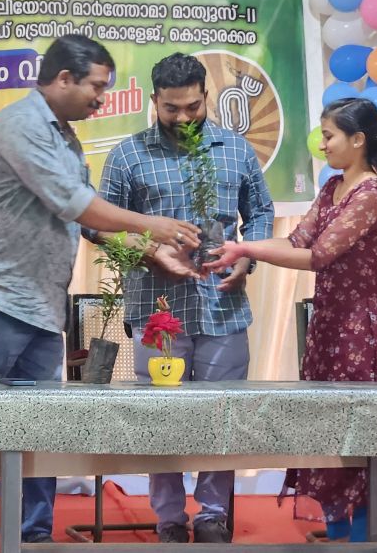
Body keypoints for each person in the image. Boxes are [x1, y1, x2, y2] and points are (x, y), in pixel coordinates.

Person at [0, 35, 200, 553]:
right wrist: (153, 225)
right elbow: (75, 203)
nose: (102, 99)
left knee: (40, 423)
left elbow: (88, 223)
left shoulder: (65, 138)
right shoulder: (20, 125)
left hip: (43, 306)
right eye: (97, 87)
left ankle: (33, 535)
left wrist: (153, 251)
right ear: (64, 78)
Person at [205, 97, 377, 542]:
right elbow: (297, 240)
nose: (322, 144)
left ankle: (363, 540)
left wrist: (247, 248)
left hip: (361, 331)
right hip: (328, 327)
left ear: (358, 140)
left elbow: (319, 256)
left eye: (329, 136)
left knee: (359, 434)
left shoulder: (371, 194)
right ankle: (339, 537)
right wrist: (241, 248)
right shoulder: (333, 187)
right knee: (327, 428)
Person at [89, 52, 274, 544]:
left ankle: (213, 515)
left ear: (205, 96)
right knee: (161, 419)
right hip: (157, 311)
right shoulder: (128, 156)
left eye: (192, 106)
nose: (184, 118)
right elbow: (96, 225)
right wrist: (149, 252)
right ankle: (169, 519)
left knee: (222, 415)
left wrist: (248, 256)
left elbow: (260, 212)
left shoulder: (235, 150)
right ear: (154, 101)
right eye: (171, 109)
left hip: (224, 306)